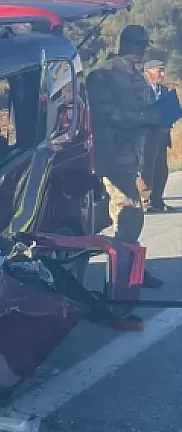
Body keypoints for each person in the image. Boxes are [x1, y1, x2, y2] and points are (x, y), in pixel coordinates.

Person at [85, 24, 164, 289]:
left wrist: (159, 114)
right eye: (139, 44)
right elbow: (101, 113)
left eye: (144, 45)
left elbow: (140, 107)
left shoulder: (136, 75)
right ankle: (124, 275)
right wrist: (142, 118)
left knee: (130, 214)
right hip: (112, 156)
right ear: (127, 44)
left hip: (132, 155)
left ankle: (132, 270)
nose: (142, 50)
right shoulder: (103, 75)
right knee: (129, 213)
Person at [138, 59, 182, 212]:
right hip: (146, 135)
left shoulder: (168, 92)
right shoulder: (139, 92)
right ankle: (145, 200)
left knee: (161, 169)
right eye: (159, 70)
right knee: (146, 168)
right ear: (148, 72)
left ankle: (157, 200)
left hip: (162, 135)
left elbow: (176, 111)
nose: (162, 74)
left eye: (163, 71)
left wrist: (164, 121)